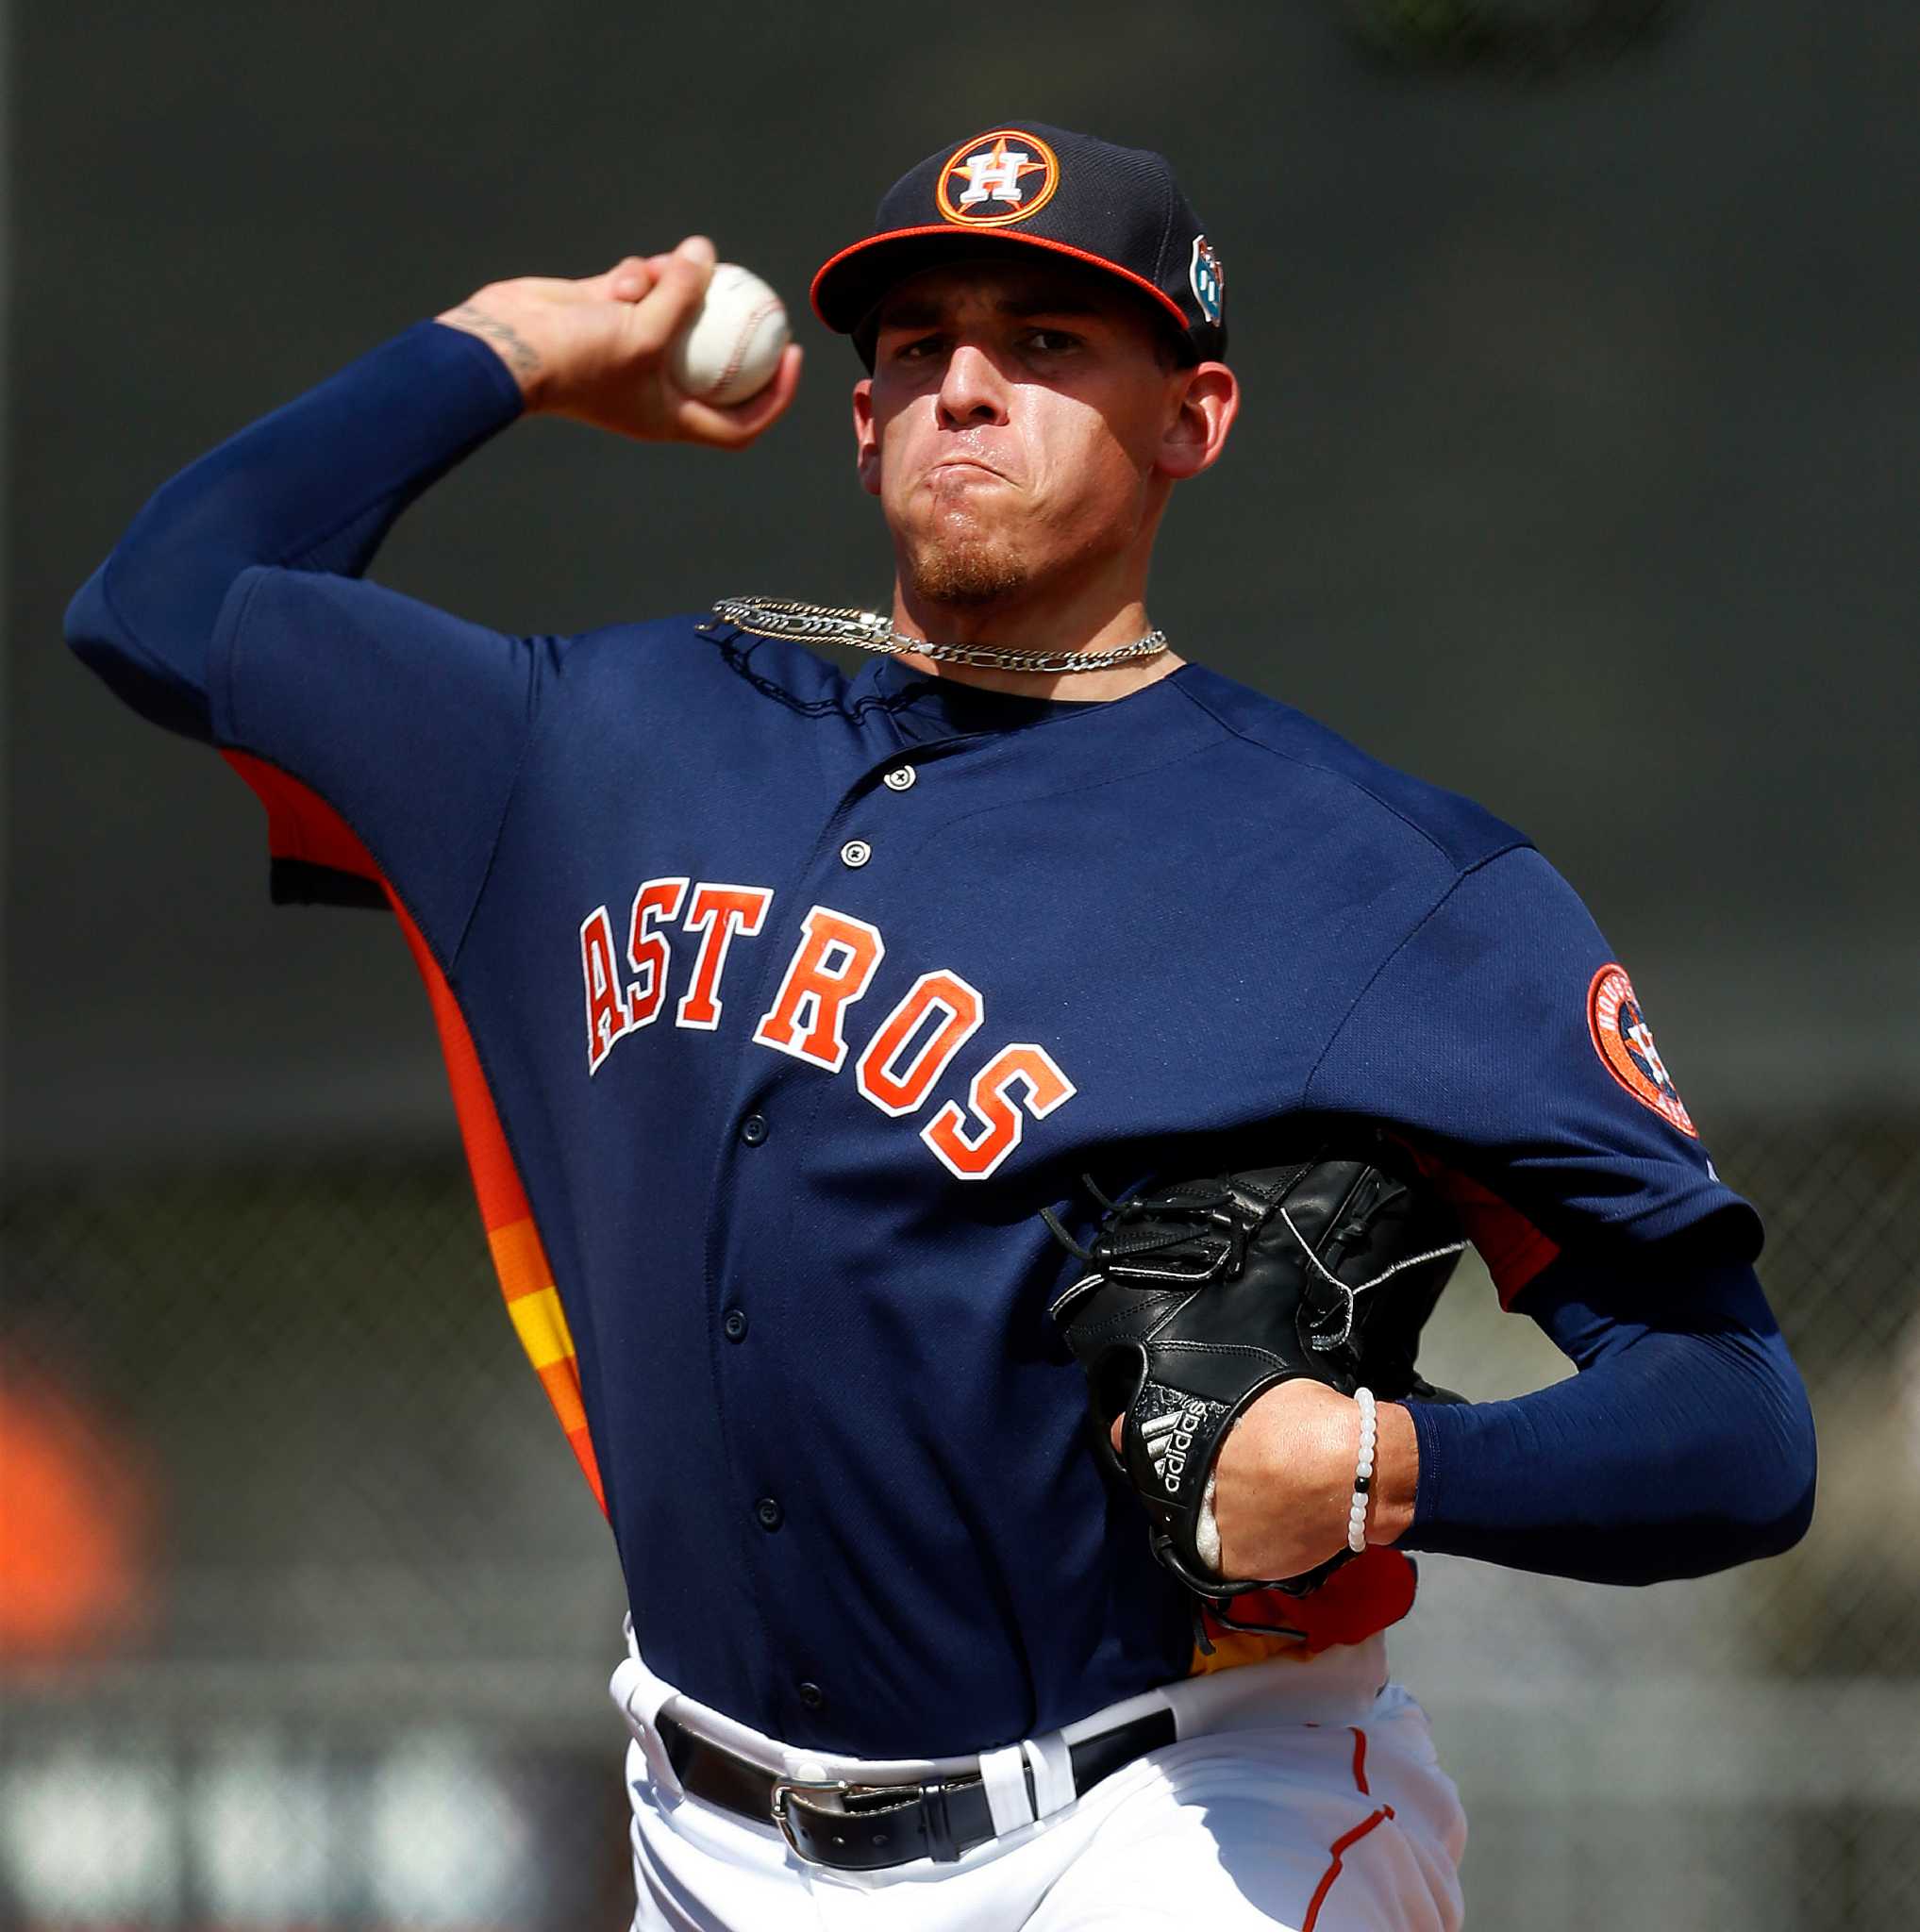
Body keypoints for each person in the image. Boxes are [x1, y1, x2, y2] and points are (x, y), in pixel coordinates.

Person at [67, 122, 1814, 1930]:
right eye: (917, 345)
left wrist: (1385, 1468)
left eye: (1051, 344)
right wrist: (512, 345)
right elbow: (162, 606)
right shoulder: (600, 742)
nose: (967, 385)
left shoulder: (1389, 887)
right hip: (698, 1834)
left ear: (1191, 421)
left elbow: (1740, 1424)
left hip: (1179, 1814)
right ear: (860, 418)